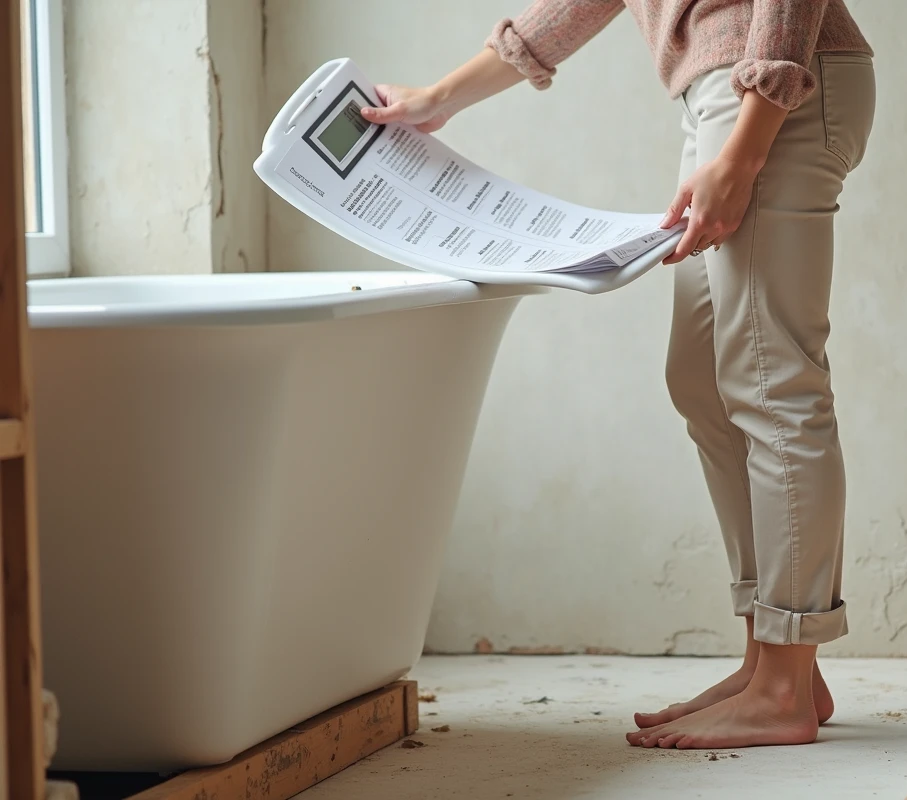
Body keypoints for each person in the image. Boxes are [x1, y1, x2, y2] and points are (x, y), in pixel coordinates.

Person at [363, 0, 875, 750]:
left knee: (771, 380)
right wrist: (440, 98)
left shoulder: (766, 95)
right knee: (701, 378)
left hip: (775, 89)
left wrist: (745, 147)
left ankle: (784, 685)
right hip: (726, 95)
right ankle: (772, 660)